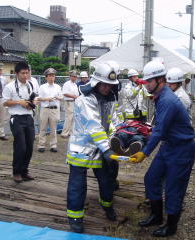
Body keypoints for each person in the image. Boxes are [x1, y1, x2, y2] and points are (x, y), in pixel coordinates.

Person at [130, 60, 195, 237]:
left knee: (173, 188)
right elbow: (158, 128)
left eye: (149, 81)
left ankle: (171, 226)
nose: (147, 84)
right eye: (146, 81)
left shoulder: (167, 100)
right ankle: (157, 216)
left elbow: (159, 131)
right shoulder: (161, 97)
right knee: (151, 178)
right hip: (168, 146)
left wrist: (144, 152)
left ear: (160, 80)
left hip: (181, 150)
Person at [66, 63, 120, 233]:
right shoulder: (84, 100)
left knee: (106, 180)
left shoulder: (110, 99)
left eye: (110, 85)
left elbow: (113, 121)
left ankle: (107, 205)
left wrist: (117, 138)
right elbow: (94, 126)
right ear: (96, 82)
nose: (107, 88)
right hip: (81, 148)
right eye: (104, 84)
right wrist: (107, 149)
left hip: (100, 146)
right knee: (78, 184)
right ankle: (75, 217)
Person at [2, 62, 36, 183]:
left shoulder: (30, 84)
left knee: (30, 147)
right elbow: (5, 102)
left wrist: (33, 103)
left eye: (27, 72)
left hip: (29, 117)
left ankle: (24, 170)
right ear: (16, 73)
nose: (25, 75)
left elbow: (34, 99)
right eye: (23, 73)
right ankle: (16, 172)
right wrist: (18, 102)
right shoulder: (10, 86)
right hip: (16, 118)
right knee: (20, 146)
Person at [37, 68, 63, 153]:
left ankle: (53, 145)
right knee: (43, 128)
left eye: (53, 76)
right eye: (50, 76)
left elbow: (61, 96)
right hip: (45, 109)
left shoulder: (58, 87)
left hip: (54, 109)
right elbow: (39, 98)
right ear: (46, 77)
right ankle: (41, 145)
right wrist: (47, 99)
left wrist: (59, 97)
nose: (52, 77)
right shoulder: (42, 87)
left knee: (53, 129)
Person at [61, 70, 80, 138]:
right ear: (70, 77)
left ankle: (70, 132)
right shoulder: (67, 84)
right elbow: (65, 93)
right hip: (68, 102)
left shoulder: (75, 84)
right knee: (68, 118)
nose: (74, 78)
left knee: (73, 118)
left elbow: (76, 94)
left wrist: (76, 97)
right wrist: (74, 96)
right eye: (73, 76)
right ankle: (64, 133)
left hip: (74, 102)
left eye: (75, 77)